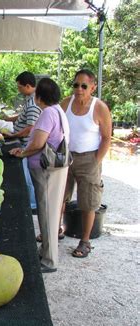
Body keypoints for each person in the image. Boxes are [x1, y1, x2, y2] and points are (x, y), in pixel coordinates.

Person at [10, 78, 70, 273]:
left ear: (40, 96)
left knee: (47, 214)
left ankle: (50, 260)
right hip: (55, 169)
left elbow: (37, 143)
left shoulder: (47, 114)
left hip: (45, 170)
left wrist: (23, 153)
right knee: (49, 212)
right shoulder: (59, 111)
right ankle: (45, 251)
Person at [61, 69, 112, 258]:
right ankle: (57, 229)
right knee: (60, 196)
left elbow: (107, 138)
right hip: (66, 157)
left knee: (88, 202)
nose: (79, 89)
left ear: (93, 87)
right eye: (76, 85)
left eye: (84, 86)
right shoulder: (66, 103)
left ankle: (85, 241)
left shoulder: (99, 107)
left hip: (89, 158)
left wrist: (95, 161)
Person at [3, 71, 41, 212]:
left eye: (19, 87)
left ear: (27, 86)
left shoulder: (32, 103)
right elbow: (23, 116)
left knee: (27, 176)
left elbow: (31, 127)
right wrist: (9, 119)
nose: (18, 90)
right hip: (23, 141)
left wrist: (13, 135)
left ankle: (32, 205)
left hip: (26, 143)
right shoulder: (32, 99)